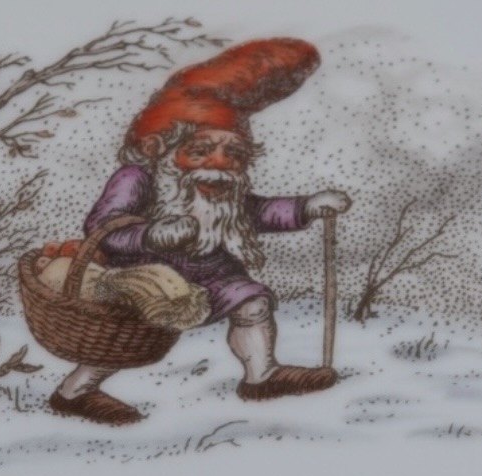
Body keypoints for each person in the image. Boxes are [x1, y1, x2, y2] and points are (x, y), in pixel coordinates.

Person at [48, 37, 351, 425]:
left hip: (210, 273)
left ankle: (262, 376)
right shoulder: (137, 178)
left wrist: (307, 207)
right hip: (144, 275)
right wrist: (151, 235)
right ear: (164, 149)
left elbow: (257, 211)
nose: (218, 163)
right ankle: (75, 391)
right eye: (201, 151)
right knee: (123, 335)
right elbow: (103, 227)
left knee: (252, 302)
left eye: (232, 154)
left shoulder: (225, 190)